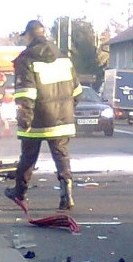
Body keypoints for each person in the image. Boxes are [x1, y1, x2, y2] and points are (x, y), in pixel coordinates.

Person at [5, 19, 81, 210]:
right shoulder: (64, 58)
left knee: (28, 157)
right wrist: (67, 109)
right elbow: (77, 90)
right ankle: (67, 194)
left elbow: (26, 94)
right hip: (62, 119)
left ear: (29, 35)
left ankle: (19, 192)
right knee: (62, 157)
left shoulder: (26, 59)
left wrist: (25, 120)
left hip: (38, 119)